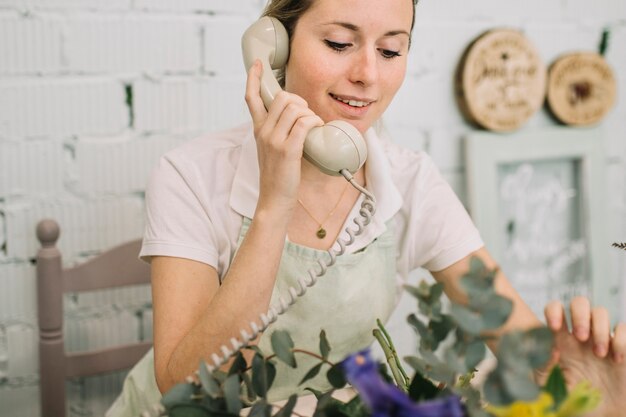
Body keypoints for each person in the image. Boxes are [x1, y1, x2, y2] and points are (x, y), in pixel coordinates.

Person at [106, 0, 626, 416]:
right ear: (274, 48)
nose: (368, 76)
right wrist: (273, 204)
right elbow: (187, 391)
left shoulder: (411, 181)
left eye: (391, 51)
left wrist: (580, 389)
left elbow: (522, 349)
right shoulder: (189, 174)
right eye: (339, 43)